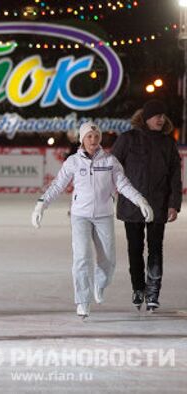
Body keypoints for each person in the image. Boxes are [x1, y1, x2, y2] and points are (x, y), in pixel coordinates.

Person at [32, 122, 153, 318]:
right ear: (82, 139)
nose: (93, 140)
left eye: (96, 137)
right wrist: (41, 204)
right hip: (80, 216)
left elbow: (123, 184)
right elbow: (57, 185)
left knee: (108, 261)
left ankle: (100, 283)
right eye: (89, 136)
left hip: (104, 215)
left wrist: (140, 200)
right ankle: (82, 300)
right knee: (81, 258)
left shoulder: (110, 161)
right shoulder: (73, 162)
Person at [111, 99, 182, 311]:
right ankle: (138, 288)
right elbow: (112, 167)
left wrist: (173, 204)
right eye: (156, 115)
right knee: (135, 248)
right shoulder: (128, 139)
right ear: (146, 118)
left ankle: (152, 292)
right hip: (132, 205)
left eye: (163, 116)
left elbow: (175, 176)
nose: (161, 119)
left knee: (155, 249)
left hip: (158, 205)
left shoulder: (168, 143)